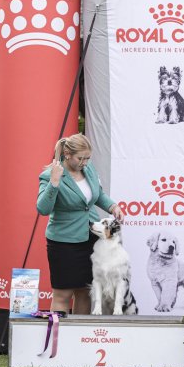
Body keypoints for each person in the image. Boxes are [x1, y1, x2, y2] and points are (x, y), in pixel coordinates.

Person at [36, 134, 124, 314]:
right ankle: (58, 332)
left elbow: (97, 195)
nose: (84, 162)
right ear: (67, 154)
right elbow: (43, 209)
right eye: (80, 158)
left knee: (85, 292)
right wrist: (54, 182)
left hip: (91, 238)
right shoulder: (49, 175)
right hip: (64, 242)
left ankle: (79, 332)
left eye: (87, 158)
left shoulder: (88, 169)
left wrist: (112, 206)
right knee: (63, 294)